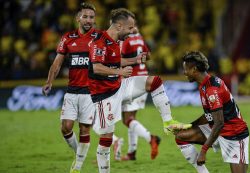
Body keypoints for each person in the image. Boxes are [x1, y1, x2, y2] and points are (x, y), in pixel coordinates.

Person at [87, 8, 191, 173]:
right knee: (106, 138)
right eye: (130, 28)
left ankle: (168, 122)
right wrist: (119, 72)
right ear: (119, 26)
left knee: (155, 82)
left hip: (120, 86)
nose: (132, 32)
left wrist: (135, 59)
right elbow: (97, 67)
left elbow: (116, 60)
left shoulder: (116, 42)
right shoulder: (99, 41)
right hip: (104, 95)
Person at [42, 3, 98, 173]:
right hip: (72, 91)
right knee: (65, 127)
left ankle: (77, 167)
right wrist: (49, 81)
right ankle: (79, 154)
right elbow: (57, 63)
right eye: (85, 16)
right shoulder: (68, 38)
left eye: (91, 17)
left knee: (84, 129)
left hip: (90, 92)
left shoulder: (99, 37)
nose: (88, 20)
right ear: (78, 18)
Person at [175, 51, 249, 173]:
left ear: (194, 69)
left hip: (234, 134)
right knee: (181, 136)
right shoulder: (204, 84)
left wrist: (203, 151)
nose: (184, 73)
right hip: (218, 129)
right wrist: (187, 126)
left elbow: (219, 122)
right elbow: (210, 116)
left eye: (185, 69)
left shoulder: (211, 90)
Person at [120, 26, 160, 161]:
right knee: (131, 119)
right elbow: (148, 56)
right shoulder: (140, 39)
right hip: (144, 80)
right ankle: (132, 152)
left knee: (127, 119)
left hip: (132, 81)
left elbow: (119, 60)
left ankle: (151, 138)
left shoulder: (125, 41)